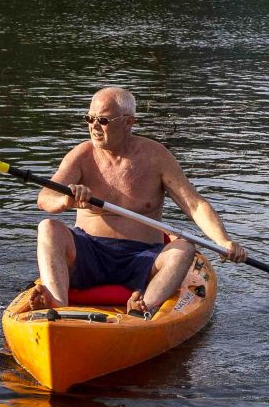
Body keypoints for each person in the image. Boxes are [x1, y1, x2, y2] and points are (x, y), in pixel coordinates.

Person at [29, 86, 247, 318]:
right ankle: (56, 306)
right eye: (89, 118)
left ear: (128, 122)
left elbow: (195, 205)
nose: (94, 126)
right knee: (48, 227)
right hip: (89, 252)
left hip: (142, 258)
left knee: (184, 248)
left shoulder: (156, 156)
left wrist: (223, 241)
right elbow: (45, 199)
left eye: (103, 120)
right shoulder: (81, 155)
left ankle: (142, 308)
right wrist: (66, 200)